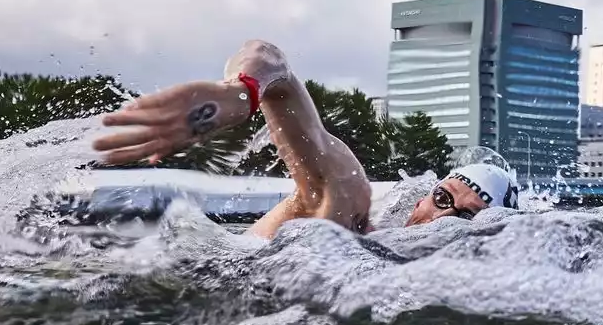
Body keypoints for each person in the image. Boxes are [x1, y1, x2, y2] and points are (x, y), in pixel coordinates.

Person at [91, 39, 520, 238]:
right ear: (426, 196)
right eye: (442, 199)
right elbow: (272, 61)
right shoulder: (351, 212)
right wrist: (243, 93)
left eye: (469, 218)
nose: (441, 220)